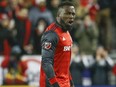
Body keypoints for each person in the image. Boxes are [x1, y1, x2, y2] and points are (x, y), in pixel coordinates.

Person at [40, 1, 76, 87]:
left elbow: (64, 64)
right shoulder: (51, 34)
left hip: (65, 83)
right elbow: (46, 63)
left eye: (73, 14)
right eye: (67, 14)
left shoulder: (67, 33)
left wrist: (71, 82)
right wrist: (55, 84)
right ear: (59, 15)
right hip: (52, 83)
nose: (71, 17)